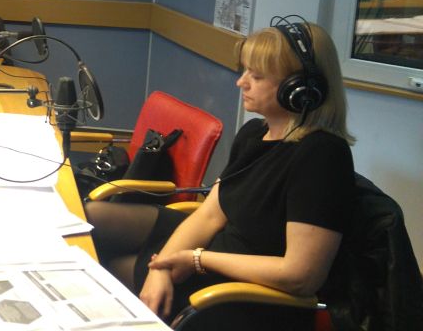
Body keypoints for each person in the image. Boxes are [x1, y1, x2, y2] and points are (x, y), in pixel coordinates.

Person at [84, 18, 355, 329]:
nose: (241, 82)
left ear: (301, 90)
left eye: (257, 76)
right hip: (214, 248)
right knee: (91, 218)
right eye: (245, 71)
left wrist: (196, 259)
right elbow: (210, 215)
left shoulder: (323, 155)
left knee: (109, 269)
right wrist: (162, 268)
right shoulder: (255, 133)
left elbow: (300, 275)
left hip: (248, 292)